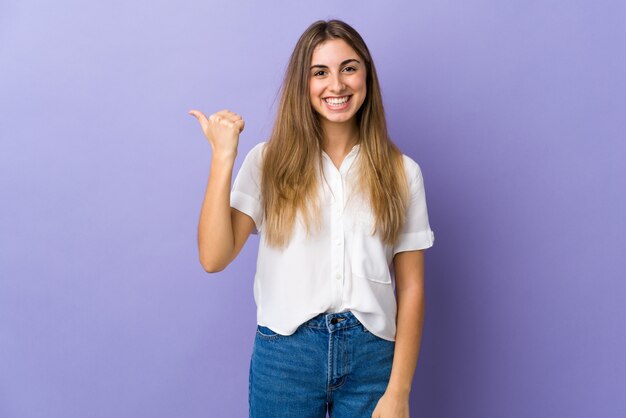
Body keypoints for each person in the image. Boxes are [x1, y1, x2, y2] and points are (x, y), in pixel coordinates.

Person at [189, 19, 434, 418]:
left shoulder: (402, 172)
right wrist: (223, 157)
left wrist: (398, 393)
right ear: (303, 84)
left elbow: (412, 288)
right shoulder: (268, 163)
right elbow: (213, 257)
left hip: (372, 359)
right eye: (320, 72)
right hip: (286, 358)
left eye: (349, 68)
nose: (336, 85)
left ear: (367, 76)